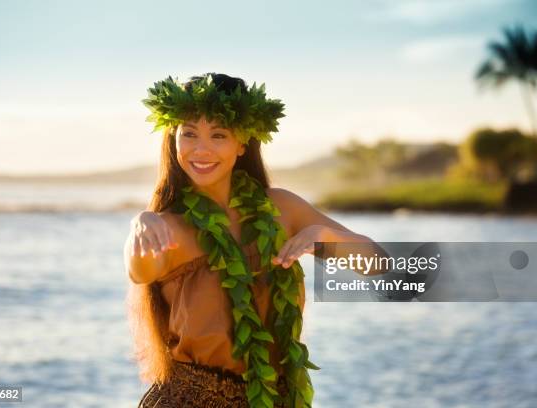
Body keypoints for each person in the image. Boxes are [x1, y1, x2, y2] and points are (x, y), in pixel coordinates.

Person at [124, 73, 378, 407]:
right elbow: (140, 272)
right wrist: (139, 224)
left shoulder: (282, 209)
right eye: (188, 134)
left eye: (218, 135)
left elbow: (379, 266)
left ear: (242, 144)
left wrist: (326, 236)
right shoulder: (168, 226)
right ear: (173, 139)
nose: (201, 149)